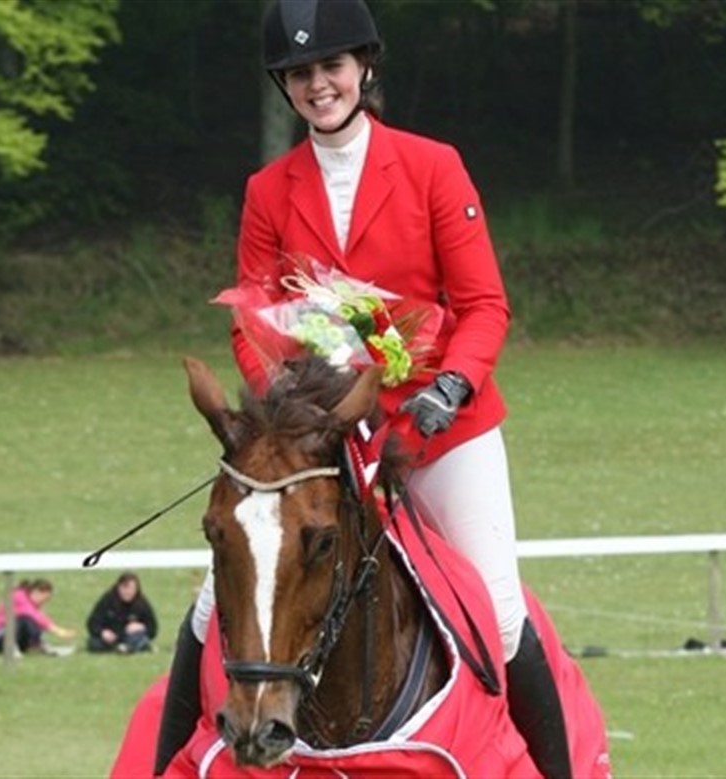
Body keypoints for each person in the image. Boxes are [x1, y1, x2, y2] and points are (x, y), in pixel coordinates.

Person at [156, 2, 572, 778]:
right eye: (300, 74)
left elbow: (485, 305)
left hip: (437, 429)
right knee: (209, 607)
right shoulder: (268, 189)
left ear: (364, 67)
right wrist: (288, 403)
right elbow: (251, 319)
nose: (318, 85)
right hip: (323, 437)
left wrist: (451, 385)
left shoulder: (433, 166)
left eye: (332, 66)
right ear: (285, 86)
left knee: (502, 610)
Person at [0, 578, 77, 656]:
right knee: (23, 620)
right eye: (45, 599)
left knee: (30, 622)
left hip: (16, 641)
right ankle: (15, 648)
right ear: (36, 592)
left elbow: (38, 617)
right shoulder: (18, 596)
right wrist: (59, 631)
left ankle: (40, 646)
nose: (44, 602)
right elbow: (36, 616)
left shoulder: (30, 603)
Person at [86, 572, 159, 654]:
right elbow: (92, 622)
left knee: (139, 638)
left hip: (130, 637)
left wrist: (141, 626)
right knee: (94, 643)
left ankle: (130, 647)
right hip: (111, 637)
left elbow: (153, 629)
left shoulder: (141, 603)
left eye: (131, 589)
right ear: (118, 587)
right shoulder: (108, 600)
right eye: (125, 588)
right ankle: (121, 648)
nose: (128, 592)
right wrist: (102, 632)